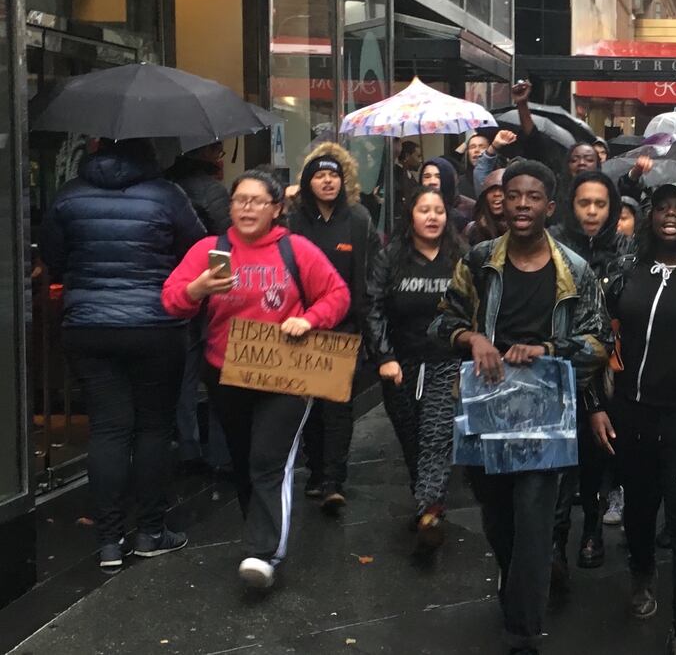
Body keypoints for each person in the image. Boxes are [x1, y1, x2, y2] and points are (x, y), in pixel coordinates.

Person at [432, 159, 609, 655]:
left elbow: (599, 341)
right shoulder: (479, 261)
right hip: (487, 412)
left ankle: (522, 632)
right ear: (500, 203)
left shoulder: (574, 270)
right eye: (514, 196)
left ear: (550, 207)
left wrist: (547, 350)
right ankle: (519, 589)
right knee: (498, 521)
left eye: (533, 197)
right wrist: (473, 339)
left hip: (545, 416)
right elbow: (441, 323)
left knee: (534, 522)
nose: (522, 205)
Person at [162, 170, 351, 590]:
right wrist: (197, 289)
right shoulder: (210, 250)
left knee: (269, 461)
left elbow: (337, 294)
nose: (247, 208)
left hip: (286, 373)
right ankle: (259, 535)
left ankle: (264, 552)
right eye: (240, 200)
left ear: (276, 209)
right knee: (245, 460)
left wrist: (309, 319)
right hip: (226, 373)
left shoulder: (296, 249)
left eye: (257, 201)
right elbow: (171, 300)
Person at [40, 138, 207, 573]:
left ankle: (109, 542)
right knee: (153, 428)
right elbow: (197, 251)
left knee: (108, 429)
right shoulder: (167, 195)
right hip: (156, 326)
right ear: (149, 154)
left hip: (88, 326)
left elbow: (54, 257)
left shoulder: (69, 195)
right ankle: (151, 531)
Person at [589, 183, 676, 654]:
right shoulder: (625, 272)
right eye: (661, 207)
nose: (670, 215)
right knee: (640, 511)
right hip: (630, 412)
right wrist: (596, 406)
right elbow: (596, 341)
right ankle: (642, 572)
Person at [365, 189, 465, 554]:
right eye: (424, 210)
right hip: (401, 363)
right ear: (411, 216)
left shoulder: (460, 256)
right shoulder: (391, 257)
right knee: (411, 439)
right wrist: (384, 356)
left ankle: (429, 513)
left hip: (446, 360)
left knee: (436, 436)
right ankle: (425, 498)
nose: (432, 217)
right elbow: (373, 307)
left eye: (439, 210)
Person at [287, 143, 382, 515]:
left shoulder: (358, 219)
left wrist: (369, 325)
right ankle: (314, 471)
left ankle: (333, 481)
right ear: (308, 182)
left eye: (333, 175)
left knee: (338, 407)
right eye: (319, 176)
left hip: (344, 328)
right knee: (308, 407)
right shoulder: (294, 221)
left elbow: (370, 272)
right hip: (301, 327)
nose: (327, 181)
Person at [551, 170, 634, 574]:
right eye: (584, 203)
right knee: (559, 457)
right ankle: (556, 538)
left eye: (600, 204)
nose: (592, 211)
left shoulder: (625, 248)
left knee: (597, 453)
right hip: (560, 359)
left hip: (609, 366)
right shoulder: (553, 244)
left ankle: (591, 529)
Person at [166, 141, 234, 476]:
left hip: (175, 284)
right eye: (217, 151)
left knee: (185, 373)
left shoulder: (167, 187)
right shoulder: (212, 190)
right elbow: (225, 242)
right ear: (204, 154)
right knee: (220, 369)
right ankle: (220, 453)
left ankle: (188, 443)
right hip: (208, 289)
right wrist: (224, 285)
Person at [422, 156, 476, 229]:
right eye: (427, 177)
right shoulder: (413, 209)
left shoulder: (468, 208)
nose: (432, 182)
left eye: (438, 177)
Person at [467, 168, 509, 245]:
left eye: (502, 190)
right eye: (492, 190)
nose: (496, 194)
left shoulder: (522, 228)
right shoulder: (474, 230)